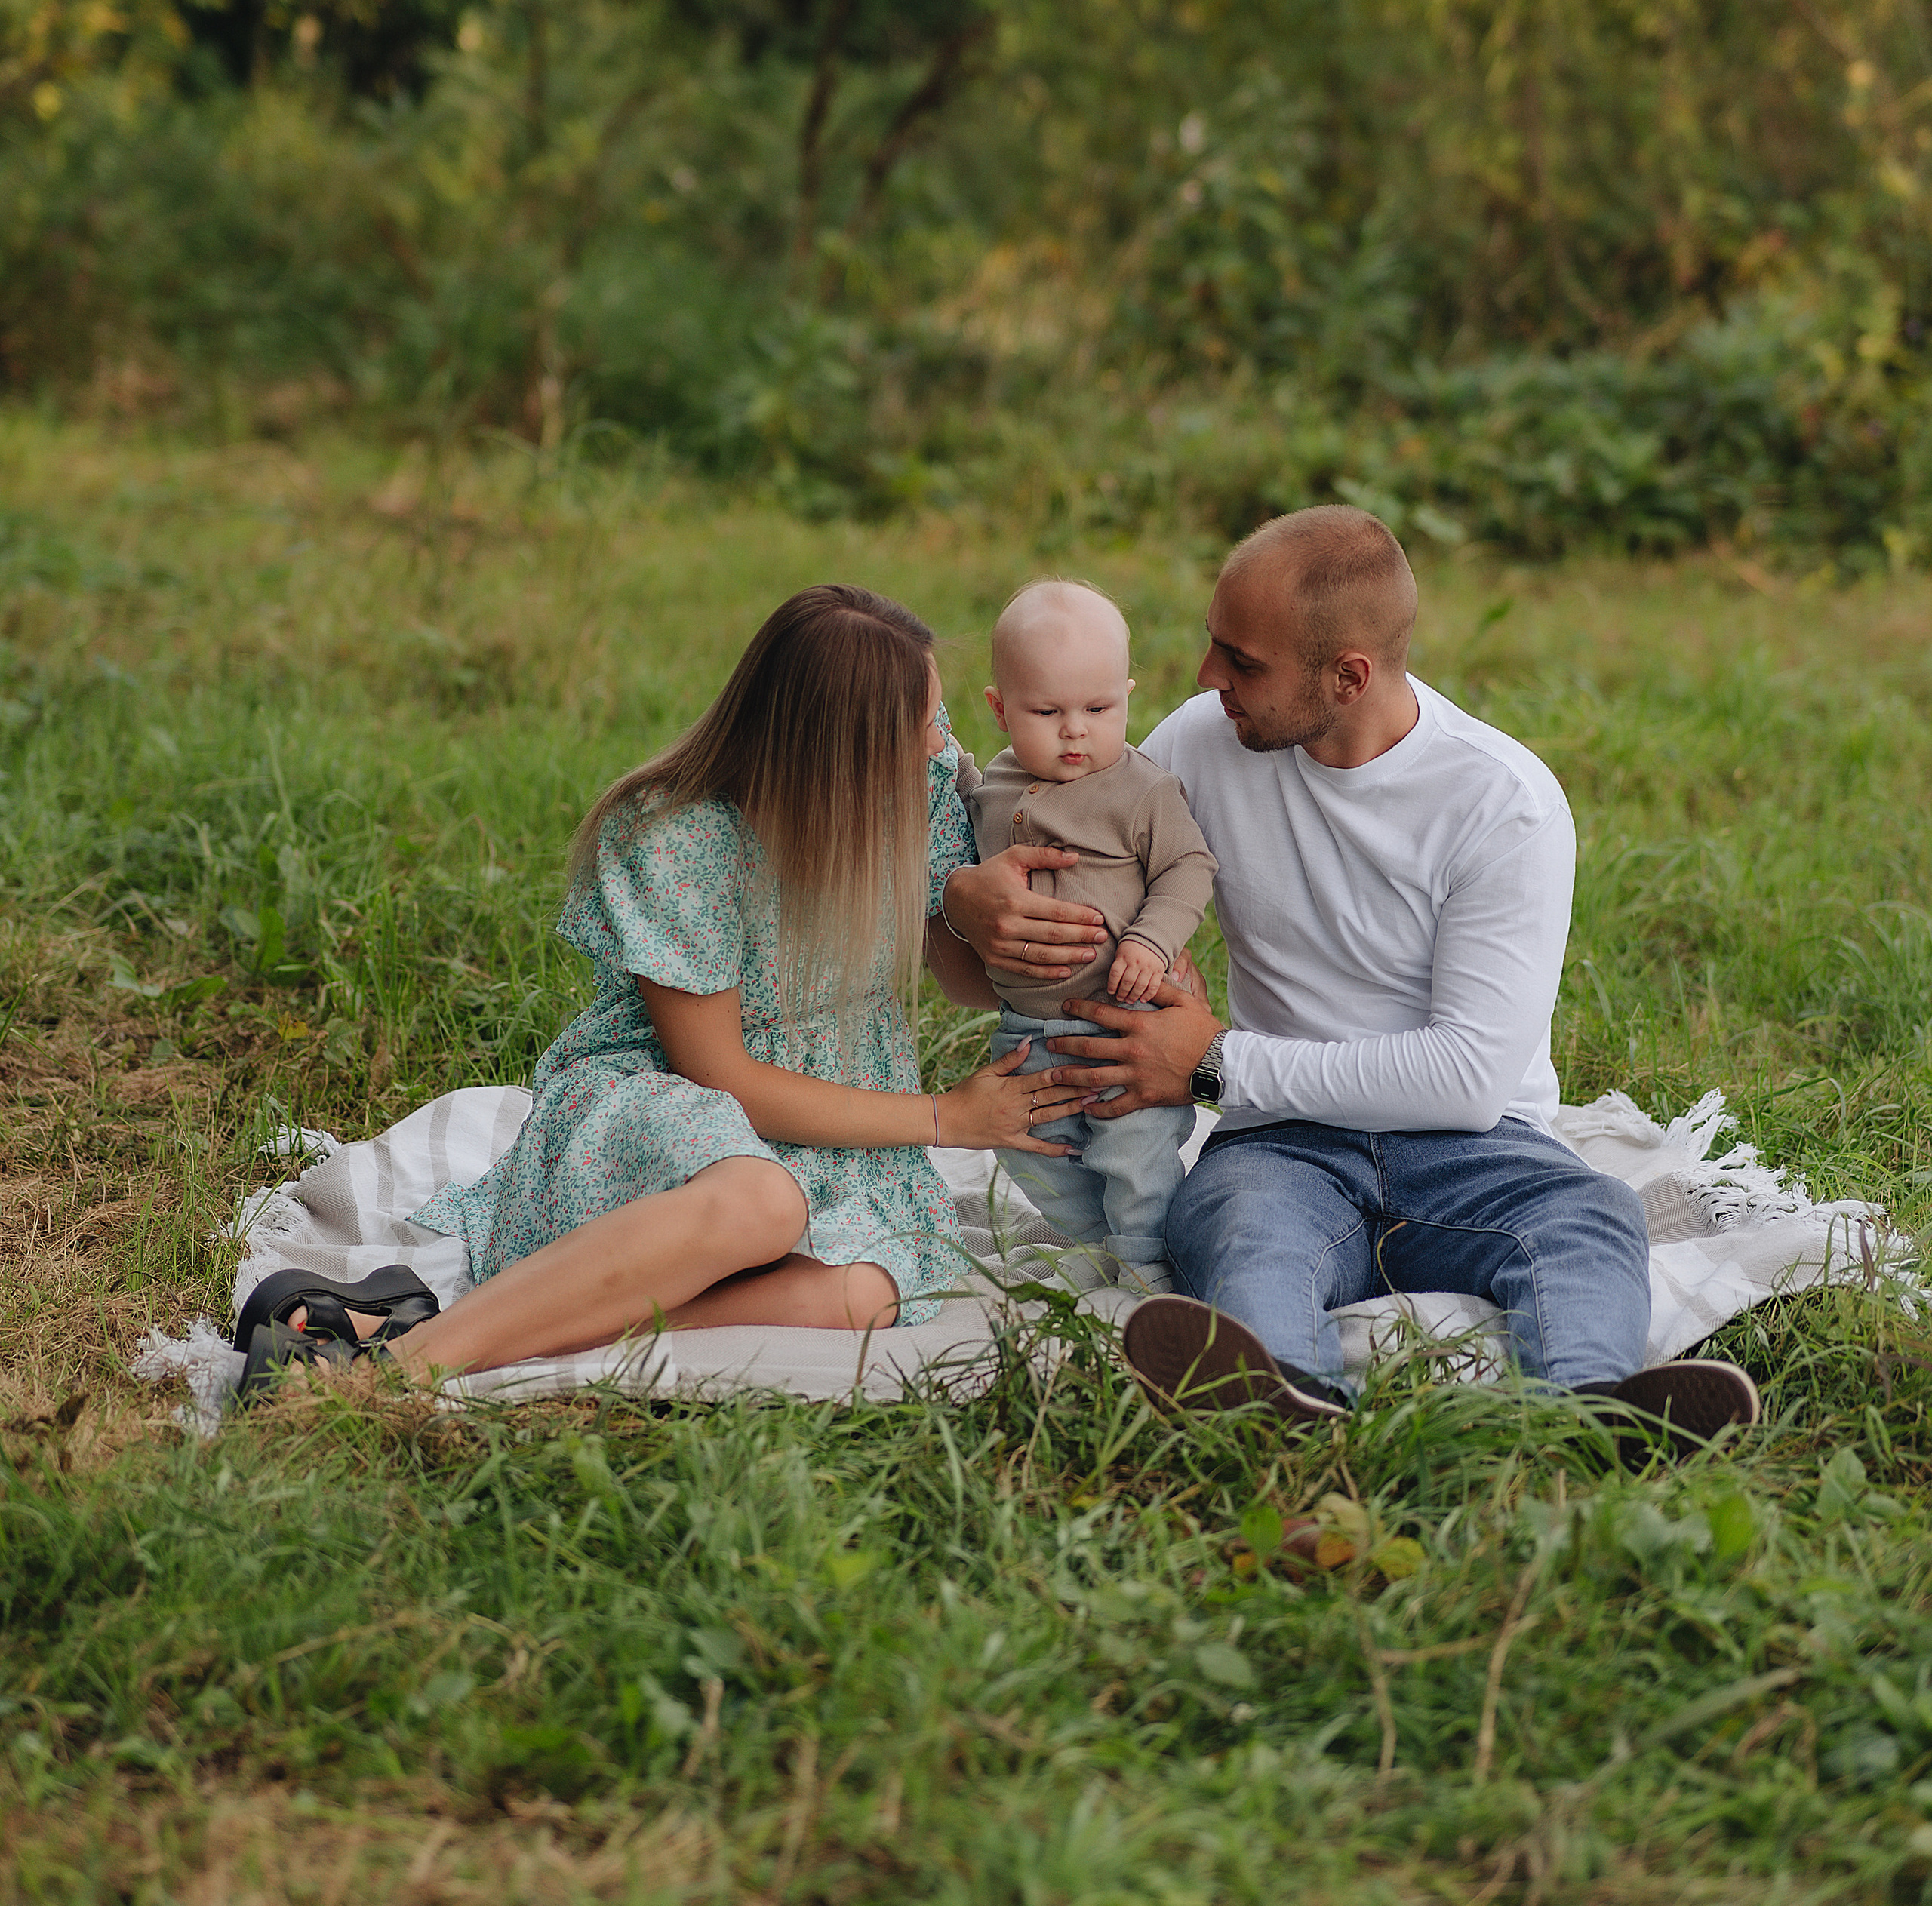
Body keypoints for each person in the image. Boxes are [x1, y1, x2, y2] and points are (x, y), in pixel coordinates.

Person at [941, 509, 1760, 1454]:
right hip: (1284, 1149)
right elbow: (1065, 905)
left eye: (1240, 660)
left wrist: (1211, 1063)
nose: (1208, 678)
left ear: (1348, 676)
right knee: (1233, 1225)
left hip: (1477, 1145)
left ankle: (1592, 1416)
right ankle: (1283, 1412)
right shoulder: (1202, 743)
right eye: (1213, 645)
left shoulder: (1502, 802)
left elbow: (1465, 1078)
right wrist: (971, 903)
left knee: (1590, 1214)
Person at [238, 586, 1084, 1394]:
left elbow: (967, 984)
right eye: (920, 722)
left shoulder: (918, 789)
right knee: (763, 1203)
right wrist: (945, 1119)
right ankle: (401, 1375)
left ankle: (439, 1329)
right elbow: (722, 1075)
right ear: (837, 754)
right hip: (661, 1103)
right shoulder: (679, 835)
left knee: (865, 1296)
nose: (942, 743)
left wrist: (978, 903)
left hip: (839, 1125)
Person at [958, 579, 1217, 1293]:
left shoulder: (1142, 791)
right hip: (1024, 1027)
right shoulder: (997, 785)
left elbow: (1189, 866)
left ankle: (1144, 1263)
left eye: (1099, 708)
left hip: (1126, 1020)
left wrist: (1150, 942)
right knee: (1032, 1147)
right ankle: (1097, 1240)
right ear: (1000, 708)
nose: (1076, 729)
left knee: (1134, 1153)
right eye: (1047, 711)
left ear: (1127, 695)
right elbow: (960, 820)